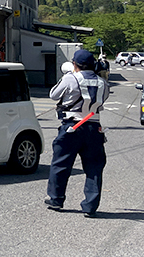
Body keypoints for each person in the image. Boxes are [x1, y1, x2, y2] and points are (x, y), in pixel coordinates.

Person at [45, 49, 109, 218]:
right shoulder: (102, 82)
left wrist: (66, 76)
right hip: (94, 127)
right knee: (94, 167)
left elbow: (53, 95)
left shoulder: (70, 78)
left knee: (61, 164)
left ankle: (56, 199)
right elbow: (104, 99)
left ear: (75, 64)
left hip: (72, 126)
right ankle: (90, 206)